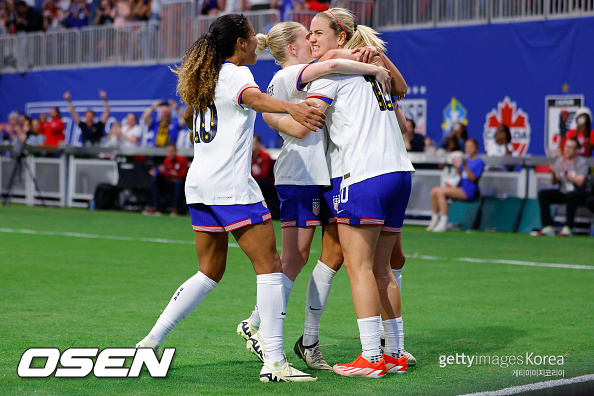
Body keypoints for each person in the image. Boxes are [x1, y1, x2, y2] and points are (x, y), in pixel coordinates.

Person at [135, 13, 325, 383]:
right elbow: (254, 99)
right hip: (230, 186)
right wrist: (291, 106)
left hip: (200, 185)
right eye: (252, 36)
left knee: (210, 271)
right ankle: (274, 361)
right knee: (270, 266)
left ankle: (151, 340)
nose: (257, 42)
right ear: (240, 43)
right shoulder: (236, 73)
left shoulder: (205, 78)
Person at [261, 8, 415, 378]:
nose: (312, 40)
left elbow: (307, 119)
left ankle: (370, 358)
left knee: (358, 267)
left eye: (318, 33)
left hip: (360, 176)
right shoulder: (375, 74)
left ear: (341, 36)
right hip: (400, 173)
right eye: (308, 34)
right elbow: (403, 119)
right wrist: (374, 59)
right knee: (384, 268)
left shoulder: (331, 75)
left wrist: (270, 111)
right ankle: (393, 352)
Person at [428, 138, 485, 232]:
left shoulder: (479, 162)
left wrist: (465, 166)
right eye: (467, 147)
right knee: (434, 190)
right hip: (460, 188)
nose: (468, 149)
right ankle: (434, 219)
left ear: (476, 148)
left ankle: (443, 221)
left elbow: (473, 178)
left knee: (441, 192)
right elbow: (461, 177)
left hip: (469, 191)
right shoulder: (465, 160)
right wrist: (458, 168)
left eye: (471, 147)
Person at [538, 138, 589, 237]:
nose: (567, 150)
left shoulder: (581, 162)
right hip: (563, 191)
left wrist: (566, 174)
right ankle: (547, 226)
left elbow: (580, 181)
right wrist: (553, 173)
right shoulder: (560, 161)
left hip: (579, 193)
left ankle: (568, 228)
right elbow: (554, 182)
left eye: (571, 147)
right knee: (543, 194)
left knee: (571, 196)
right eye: (566, 147)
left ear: (577, 150)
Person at [142, 142, 189, 216]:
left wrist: (167, 173)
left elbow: (182, 175)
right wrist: (157, 172)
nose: (170, 153)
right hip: (169, 184)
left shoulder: (182, 160)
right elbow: (164, 172)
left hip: (180, 185)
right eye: (168, 151)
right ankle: (156, 207)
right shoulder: (167, 160)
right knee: (155, 180)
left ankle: (175, 209)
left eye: (172, 151)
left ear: (176, 151)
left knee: (179, 182)